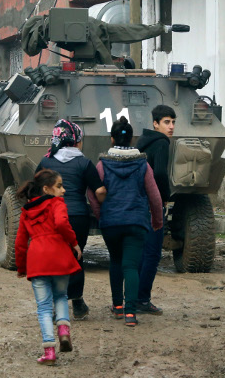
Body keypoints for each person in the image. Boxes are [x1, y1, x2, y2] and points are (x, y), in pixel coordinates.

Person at [88, 117, 163, 327]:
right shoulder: (143, 164)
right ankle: (131, 314)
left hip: (111, 222)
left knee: (116, 261)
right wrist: (156, 220)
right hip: (136, 222)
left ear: (112, 139)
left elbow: (92, 192)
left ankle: (117, 307)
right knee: (131, 266)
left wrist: (100, 215)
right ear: (132, 140)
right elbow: (155, 196)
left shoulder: (102, 165)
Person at [36, 119, 106, 320]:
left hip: (50, 218)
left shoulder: (46, 162)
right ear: (75, 141)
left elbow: (35, 190)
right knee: (76, 257)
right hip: (77, 218)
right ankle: (77, 302)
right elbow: (99, 190)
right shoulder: (84, 163)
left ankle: (53, 303)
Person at [15, 169, 83, 365]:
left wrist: (21, 267)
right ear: (47, 189)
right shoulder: (56, 203)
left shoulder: (27, 211)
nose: (63, 190)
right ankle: (63, 331)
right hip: (59, 257)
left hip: (38, 261)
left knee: (44, 307)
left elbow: (20, 242)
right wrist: (74, 242)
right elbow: (62, 223)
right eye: (59, 186)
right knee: (61, 296)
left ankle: (49, 352)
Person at [135, 105, 176, 315]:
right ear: (155, 123)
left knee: (140, 253)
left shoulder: (143, 143)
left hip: (139, 204)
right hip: (153, 204)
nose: (171, 127)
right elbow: (160, 173)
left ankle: (131, 298)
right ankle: (142, 300)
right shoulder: (161, 143)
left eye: (173, 122)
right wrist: (165, 197)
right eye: (167, 122)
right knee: (152, 254)